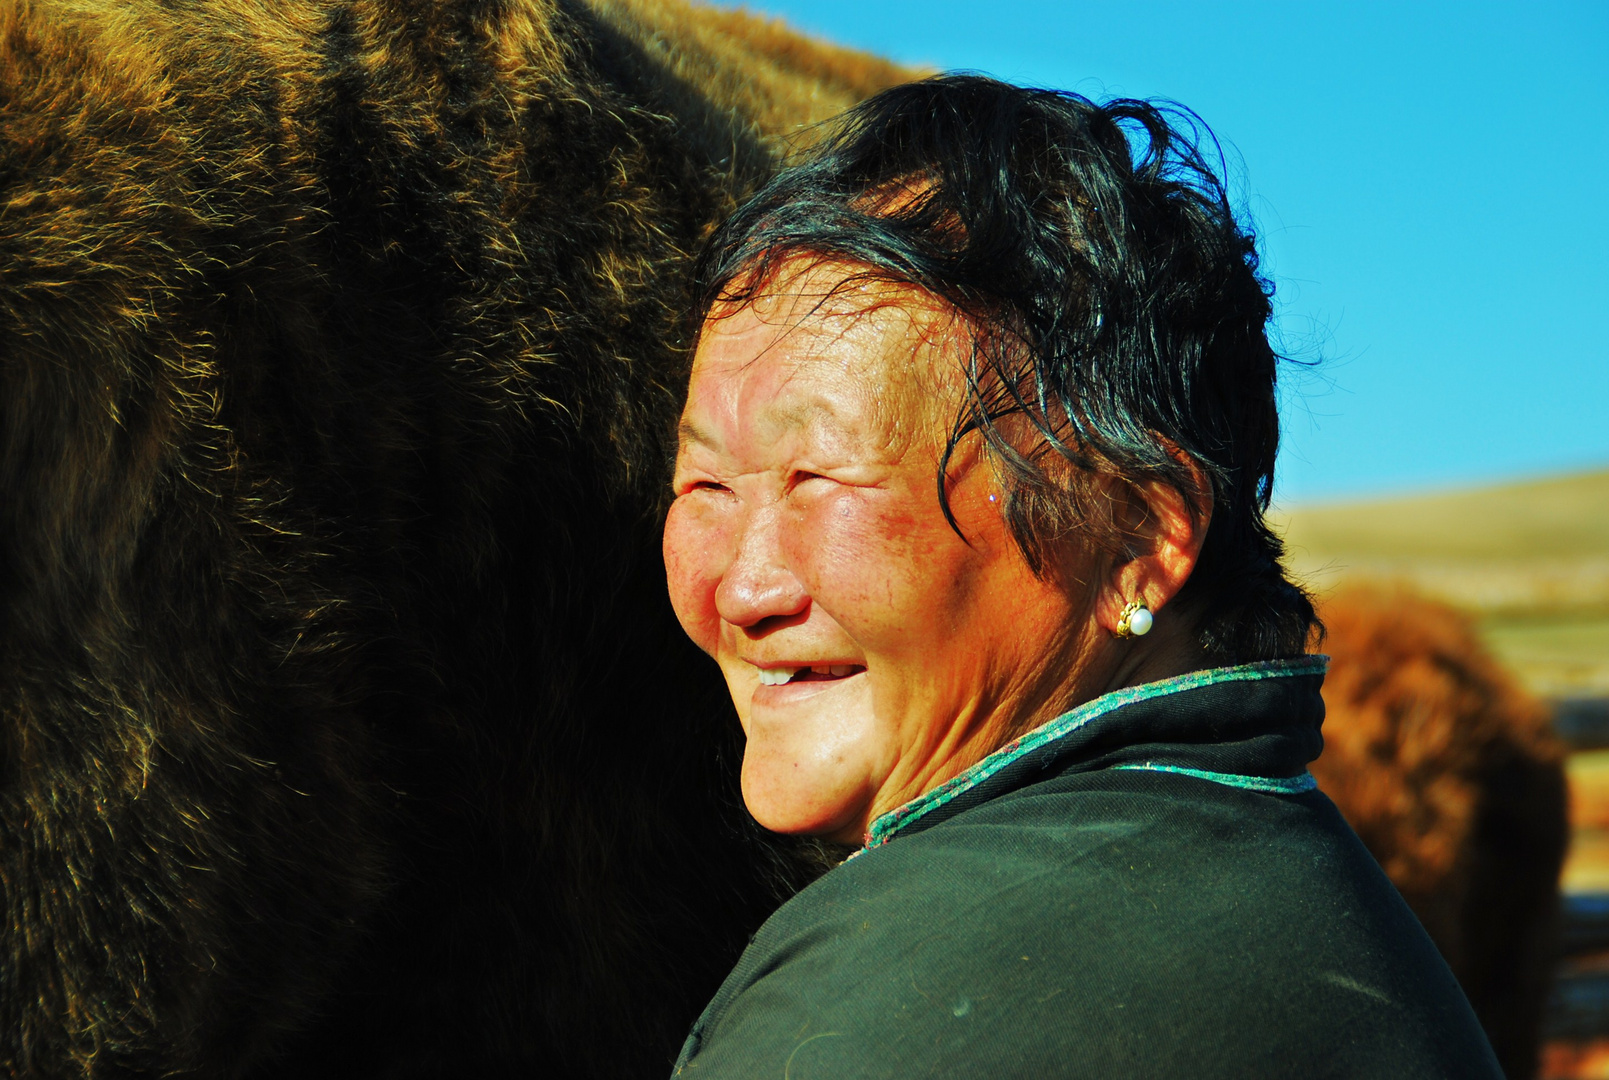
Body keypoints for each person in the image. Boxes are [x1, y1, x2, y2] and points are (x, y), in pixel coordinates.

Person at [661, 75, 1500, 1078]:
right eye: (704, 483)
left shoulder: (890, 1006)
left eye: (817, 476)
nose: (742, 589)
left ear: (1137, 537)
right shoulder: (1309, 890)